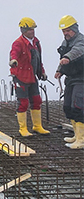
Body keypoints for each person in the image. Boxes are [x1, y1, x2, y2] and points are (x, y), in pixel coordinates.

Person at [9, 17, 49, 137]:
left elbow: (38, 59)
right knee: (23, 102)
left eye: (33, 29)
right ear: (23, 31)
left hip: (32, 77)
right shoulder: (18, 43)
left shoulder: (36, 42)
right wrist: (13, 60)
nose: (32, 31)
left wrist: (41, 72)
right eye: (29, 29)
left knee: (36, 100)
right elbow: (14, 53)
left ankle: (37, 126)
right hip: (21, 77)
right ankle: (23, 129)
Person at [55, 15, 84, 149]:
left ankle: (81, 140)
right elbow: (63, 57)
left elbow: (77, 51)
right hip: (71, 79)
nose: (65, 33)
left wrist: (68, 57)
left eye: (67, 30)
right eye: (63, 31)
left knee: (77, 106)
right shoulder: (65, 42)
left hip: (81, 79)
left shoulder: (80, 40)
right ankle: (76, 136)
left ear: (74, 29)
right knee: (67, 106)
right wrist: (60, 70)